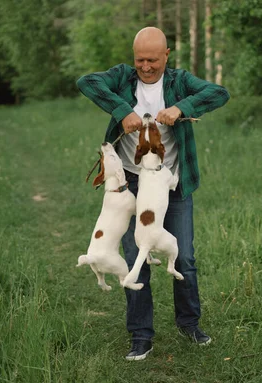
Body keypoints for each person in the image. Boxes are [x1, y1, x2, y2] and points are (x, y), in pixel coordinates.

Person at [77, 26, 229, 361]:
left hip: (171, 183)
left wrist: (181, 107)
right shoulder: (122, 78)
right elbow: (86, 82)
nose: (145, 67)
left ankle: (189, 324)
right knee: (135, 258)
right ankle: (141, 335)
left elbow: (220, 94)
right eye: (140, 60)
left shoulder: (179, 81)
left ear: (166, 56)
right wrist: (123, 110)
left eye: (153, 60)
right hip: (131, 185)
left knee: (185, 258)